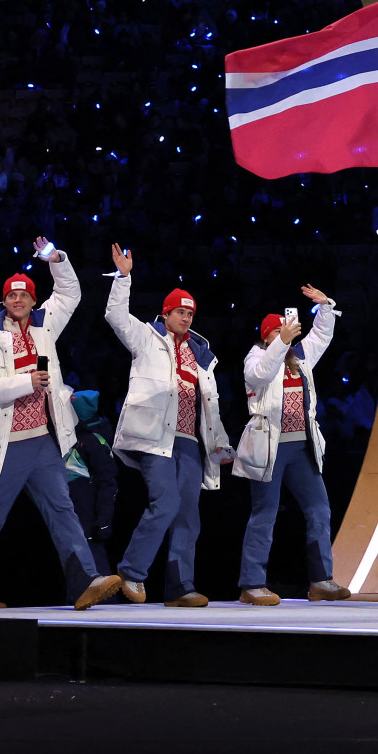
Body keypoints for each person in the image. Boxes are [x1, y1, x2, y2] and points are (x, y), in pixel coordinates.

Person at [0, 237, 122, 609]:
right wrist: (26, 382)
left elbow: (69, 292)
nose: (18, 300)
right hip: (5, 442)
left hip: (42, 441)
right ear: (4, 300)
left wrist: (56, 258)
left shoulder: (44, 326)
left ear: (34, 301)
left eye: (24, 295)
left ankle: (84, 581)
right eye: (12, 295)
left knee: (63, 511)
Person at [102, 245, 233, 607]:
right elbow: (115, 315)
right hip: (154, 436)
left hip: (189, 441)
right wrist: (123, 277)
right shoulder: (146, 337)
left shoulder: (201, 354)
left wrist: (220, 442)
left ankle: (180, 587)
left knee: (188, 515)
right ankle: (131, 571)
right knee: (166, 502)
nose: (186, 318)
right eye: (180, 312)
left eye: (190, 313)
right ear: (166, 313)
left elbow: (210, 405)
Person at [234, 288, 351, 605]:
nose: (283, 336)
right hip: (269, 447)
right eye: (277, 332)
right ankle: (252, 584)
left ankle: (321, 580)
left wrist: (325, 306)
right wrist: (281, 342)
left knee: (319, 510)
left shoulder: (299, 357)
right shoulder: (255, 357)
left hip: (301, 447)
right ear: (266, 337)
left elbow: (321, 336)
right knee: (265, 513)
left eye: (285, 331)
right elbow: (261, 375)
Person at [66, 389, 118, 575]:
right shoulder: (68, 438)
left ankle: (104, 590)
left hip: (87, 513)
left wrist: (104, 518)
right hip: (71, 510)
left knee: (93, 557)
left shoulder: (94, 441)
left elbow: (107, 482)